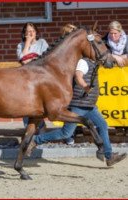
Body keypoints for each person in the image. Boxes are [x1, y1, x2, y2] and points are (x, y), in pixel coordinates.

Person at [26, 24, 127, 167]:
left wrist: (118, 58)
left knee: (103, 125)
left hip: (89, 105)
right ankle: (36, 140)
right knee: (65, 134)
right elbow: (79, 76)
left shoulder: (94, 60)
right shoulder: (83, 61)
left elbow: (107, 58)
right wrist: (85, 86)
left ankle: (109, 156)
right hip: (79, 104)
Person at [16, 22, 49, 132]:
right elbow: (22, 59)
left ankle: (41, 127)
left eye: (32, 31)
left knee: (40, 105)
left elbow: (46, 58)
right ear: (24, 33)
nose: (30, 33)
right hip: (26, 80)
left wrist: (30, 61)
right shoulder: (20, 45)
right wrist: (27, 43)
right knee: (26, 104)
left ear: (36, 32)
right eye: (27, 31)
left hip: (40, 78)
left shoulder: (42, 43)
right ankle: (29, 130)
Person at [103, 21, 128, 133]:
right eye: (111, 33)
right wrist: (115, 57)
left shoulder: (127, 40)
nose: (113, 36)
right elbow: (101, 54)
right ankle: (118, 125)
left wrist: (124, 56)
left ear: (120, 32)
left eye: (115, 33)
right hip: (111, 77)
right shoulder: (104, 41)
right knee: (114, 100)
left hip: (125, 76)